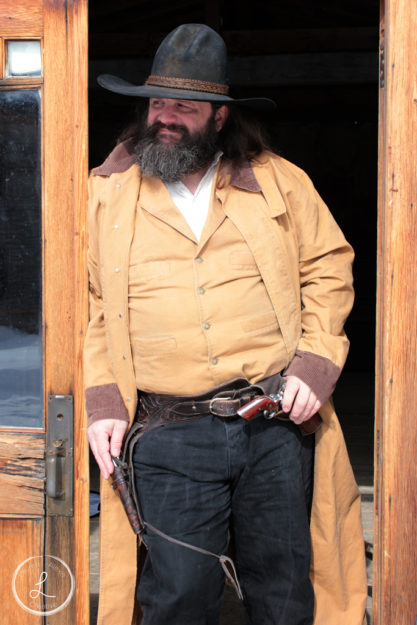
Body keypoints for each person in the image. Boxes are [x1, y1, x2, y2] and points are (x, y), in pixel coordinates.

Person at [85, 23, 367, 625]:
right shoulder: (105, 194)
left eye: (184, 107)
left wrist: (316, 363)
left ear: (218, 116)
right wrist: (103, 399)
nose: (165, 117)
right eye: (157, 103)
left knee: (285, 592)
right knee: (178, 596)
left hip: (272, 425)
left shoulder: (278, 182)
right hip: (166, 431)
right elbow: (88, 304)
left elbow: (329, 265)